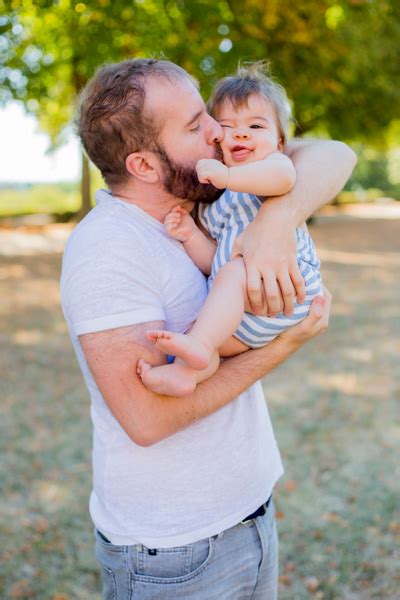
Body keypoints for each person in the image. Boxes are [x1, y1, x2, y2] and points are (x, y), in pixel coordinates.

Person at [61, 58, 355, 599]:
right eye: (197, 125)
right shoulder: (107, 252)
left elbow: (335, 155)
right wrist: (284, 344)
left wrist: (276, 221)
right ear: (145, 165)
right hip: (174, 555)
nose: (221, 132)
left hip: (251, 517)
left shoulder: (210, 198)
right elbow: (146, 419)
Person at [137, 63, 323, 397]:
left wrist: (228, 178)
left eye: (255, 125)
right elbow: (216, 263)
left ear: (279, 142)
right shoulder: (214, 203)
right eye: (227, 127)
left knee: (218, 304)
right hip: (244, 309)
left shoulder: (272, 167)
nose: (240, 134)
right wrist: (191, 236)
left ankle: (198, 344)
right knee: (204, 335)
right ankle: (186, 375)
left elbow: (285, 180)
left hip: (289, 287)